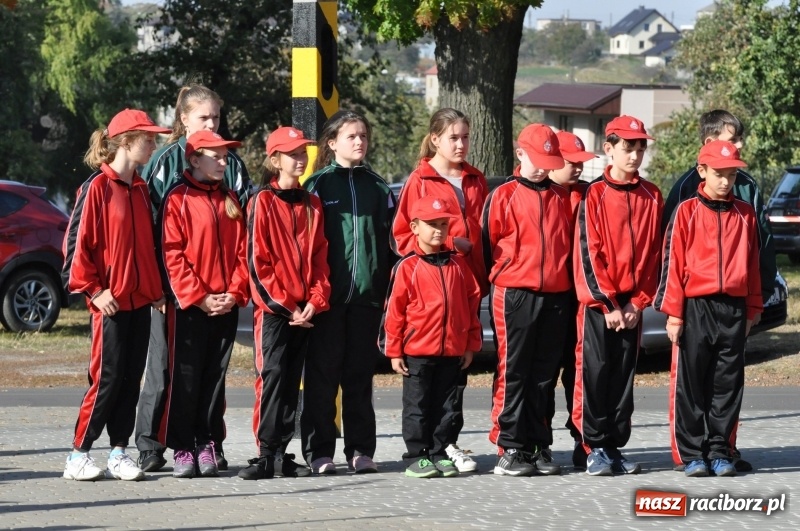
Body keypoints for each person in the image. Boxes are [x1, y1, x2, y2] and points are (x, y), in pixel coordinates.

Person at [135, 84, 252, 473]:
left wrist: (234, 292)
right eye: (204, 117)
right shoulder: (165, 164)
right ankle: (153, 443)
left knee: (209, 373)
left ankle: (208, 441)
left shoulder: (232, 169)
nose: (213, 124)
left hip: (221, 294)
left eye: (216, 117)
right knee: (166, 369)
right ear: (183, 119)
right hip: (176, 290)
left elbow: (240, 237)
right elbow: (160, 236)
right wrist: (175, 290)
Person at [661, 109, 775, 473]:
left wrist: (754, 307)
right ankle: (694, 454)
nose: (726, 182)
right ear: (703, 172)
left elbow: (752, 263)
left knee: (728, 383)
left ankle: (720, 450)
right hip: (697, 306)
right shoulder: (686, 211)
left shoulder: (745, 213)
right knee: (692, 382)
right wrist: (675, 313)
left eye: (731, 175)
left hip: (734, 308)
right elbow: (673, 265)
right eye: (719, 175)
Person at [62, 109, 170, 481]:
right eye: (149, 138)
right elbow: (76, 248)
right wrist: (94, 290)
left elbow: (148, 249)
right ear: (125, 141)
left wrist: (155, 291)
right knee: (106, 379)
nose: (154, 145)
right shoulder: (96, 187)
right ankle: (78, 454)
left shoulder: (141, 189)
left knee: (130, 379)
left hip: (141, 302)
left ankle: (119, 452)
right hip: (108, 304)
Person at [391, 108, 488, 473]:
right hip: (429, 294)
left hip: (464, 289)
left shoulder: (476, 179)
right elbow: (401, 235)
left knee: (452, 389)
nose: (461, 144)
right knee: (421, 394)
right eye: (453, 137)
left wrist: (468, 266)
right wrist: (436, 257)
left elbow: (485, 236)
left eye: (465, 137)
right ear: (435, 139)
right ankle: (422, 453)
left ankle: (443, 444)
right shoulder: (420, 179)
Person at [301, 110, 396, 475]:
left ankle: (360, 451)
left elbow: (392, 244)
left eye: (363, 136)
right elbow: (306, 246)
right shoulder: (318, 185)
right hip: (327, 300)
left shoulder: (379, 187)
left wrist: (385, 289)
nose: (359, 142)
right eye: (352, 136)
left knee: (358, 379)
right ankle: (320, 452)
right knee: (322, 379)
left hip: (367, 299)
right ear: (332, 142)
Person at [572, 115, 663, 476]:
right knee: (595, 373)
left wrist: (638, 302)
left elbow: (656, 254)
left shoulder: (652, 195)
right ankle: (593, 446)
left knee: (623, 377)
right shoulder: (594, 194)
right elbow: (588, 253)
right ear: (609, 149)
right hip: (600, 306)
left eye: (640, 147)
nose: (635, 155)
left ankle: (613, 445)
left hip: (632, 306)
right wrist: (608, 303)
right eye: (628, 147)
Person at [238, 127, 330, 480]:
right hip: (276, 313)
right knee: (272, 376)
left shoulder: (313, 204)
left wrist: (315, 302)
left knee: (292, 380)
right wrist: (286, 306)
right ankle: (265, 452)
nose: (300, 158)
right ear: (274, 160)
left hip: (304, 312)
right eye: (292, 153)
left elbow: (321, 258)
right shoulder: (261, 202)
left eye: (303, 152)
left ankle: (282, 453)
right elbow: (257, 263)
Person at [481, 124, 572, 476]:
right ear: (520, 153)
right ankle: (509, 447)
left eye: (549, 162)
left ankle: (536, 444)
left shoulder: (561, 197)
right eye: (537, 159)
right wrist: (507, 272)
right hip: (515, 293)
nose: (543, 168)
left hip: (555, 294)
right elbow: (488, 246)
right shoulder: (502, 195)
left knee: (544, 374)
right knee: (514, 370)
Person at [158, 130, 249, 478]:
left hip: (225, 306)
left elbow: (243, 252)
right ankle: (182, 446)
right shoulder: (177, 199)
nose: (224, 163)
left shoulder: (230, 199)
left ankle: (208, 442)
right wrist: (199, 297)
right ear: (195, 159)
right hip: (190, 309)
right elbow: (172, 254)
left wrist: (233, 293)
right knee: (186, 377)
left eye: (226, 157)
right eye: (217, 156)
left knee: (215, 378)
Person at [381, 195, 482, 478]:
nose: (438, 230)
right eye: (431, 224)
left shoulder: (459, 266)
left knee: (448, 406)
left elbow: (472, 306)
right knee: (418, 407)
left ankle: (440, 451)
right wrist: (394, 350)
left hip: (452, 351)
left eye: (443, 224)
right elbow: (394, 312)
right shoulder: (407, 267)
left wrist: (470, 344)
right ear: (414, 227)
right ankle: (417, 455)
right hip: (417, 352)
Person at [546, 130, 597, 470]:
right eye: (571, 162)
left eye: (581, 163)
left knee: (579, 374)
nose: (578, 169)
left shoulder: (588, 196)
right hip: (547, 298)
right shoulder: (540, 195)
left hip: (579, 299)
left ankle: (583, 440)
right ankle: (536, 441)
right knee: (542, 373)